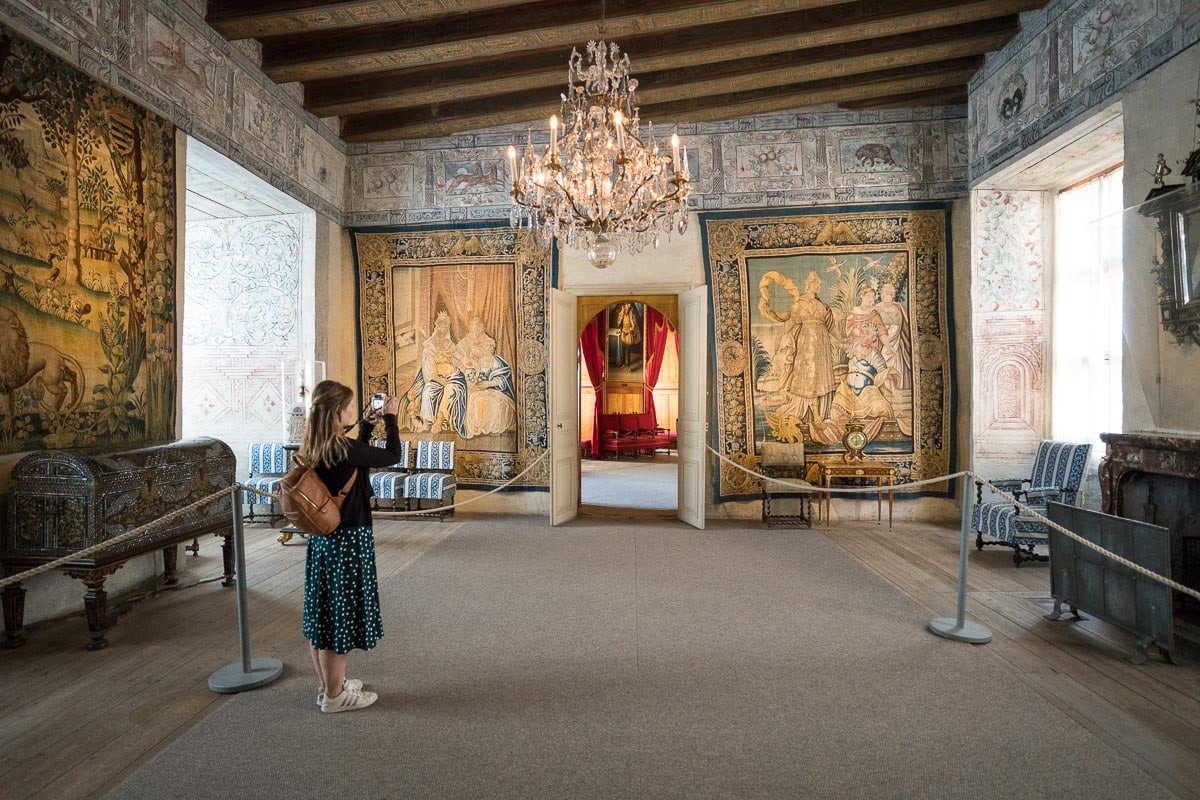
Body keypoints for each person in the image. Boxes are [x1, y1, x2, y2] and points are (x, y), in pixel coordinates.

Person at [299, 380, 405, 713]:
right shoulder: (340, 448)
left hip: (324, 541)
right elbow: (392, 455)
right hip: (347, 539)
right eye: (349, 406)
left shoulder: (319, 445)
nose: (353, 410)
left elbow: (354, 463)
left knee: (324, 616)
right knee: (339, 618)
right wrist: (390, 418)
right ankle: (335, 697)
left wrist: (365, 428)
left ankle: (328, 686)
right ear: (336, 412)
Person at [774, 272, 836, 423]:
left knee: (820, 376)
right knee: (808, 376)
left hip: (822, 345)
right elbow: (789, 325)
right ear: (810, 283)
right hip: (807, 344)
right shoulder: (799, 304)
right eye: (818, 284)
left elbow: (832, 328)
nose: (820, 287)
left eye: (820, 284)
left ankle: (821, 413)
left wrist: (842, 339)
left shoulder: (823, 306)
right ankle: (812, 412)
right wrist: (776, 346)